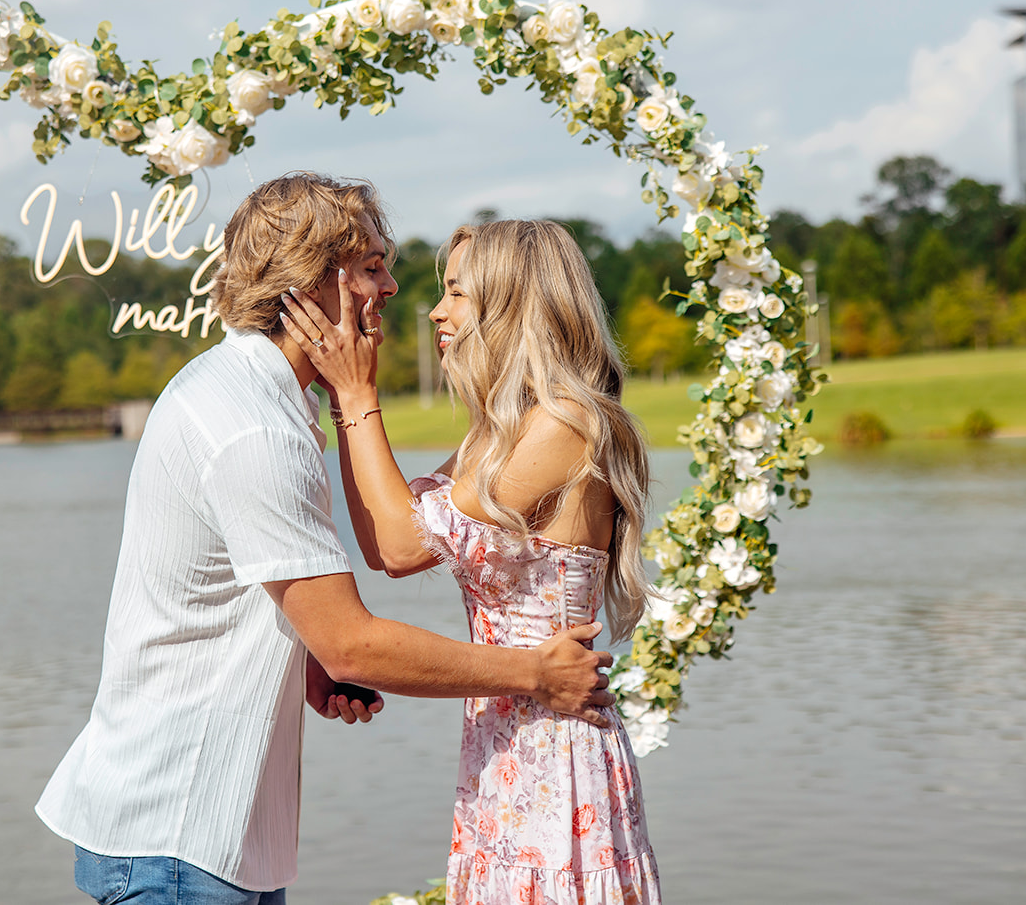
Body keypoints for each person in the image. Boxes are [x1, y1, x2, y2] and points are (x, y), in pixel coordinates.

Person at [36, 175, 615, 905]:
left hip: (213, 835)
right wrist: (535, 673)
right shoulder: (254, 427)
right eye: (373, 265)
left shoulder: (262, 401)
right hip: (180, 832)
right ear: (313, 283)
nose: (395, 287)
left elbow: (305, 587)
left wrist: (297, 643)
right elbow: (358, 636)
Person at [279, 218, 662, 905]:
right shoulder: (499, 435)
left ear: (511, 301)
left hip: (556, 749)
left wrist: (363, 396)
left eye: (456, 292)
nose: (434, 310)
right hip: (500, 745)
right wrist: (344, 403)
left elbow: (398, 542)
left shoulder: (568, 423)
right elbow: (385, 549)